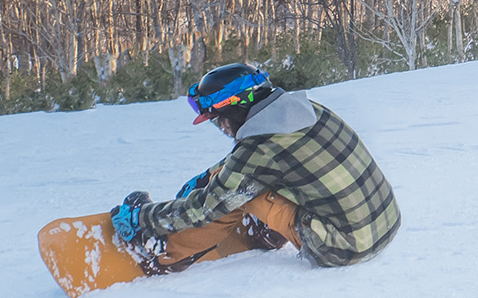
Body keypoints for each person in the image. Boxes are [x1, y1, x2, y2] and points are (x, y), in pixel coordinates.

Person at [108, 64, 400, 275]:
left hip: (343, 246)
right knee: (249, 180)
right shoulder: (306, 111)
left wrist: (143, 217)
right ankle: (268, 231)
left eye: (216, 119)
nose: (219, 127)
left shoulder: (259, 147)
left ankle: (167, 253)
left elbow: (207, 207)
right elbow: (259, 162)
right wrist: (210, 175)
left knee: (241, 194)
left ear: (232, 110)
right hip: (382, 225)